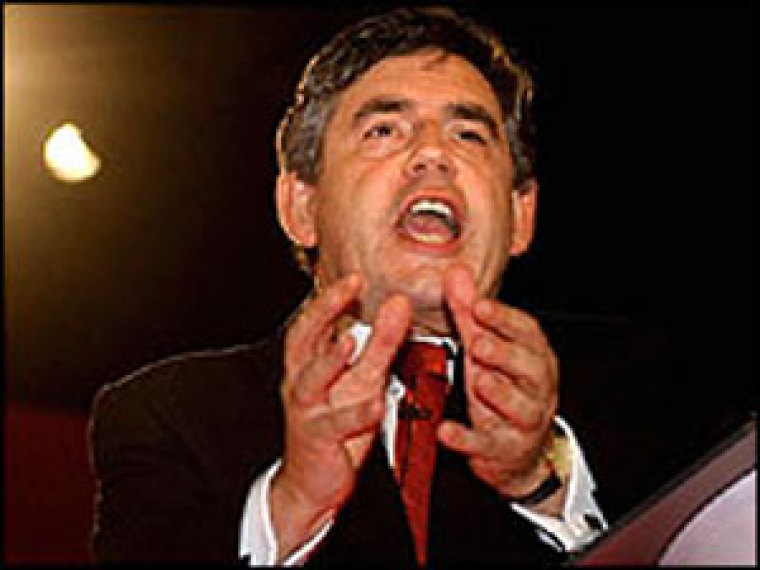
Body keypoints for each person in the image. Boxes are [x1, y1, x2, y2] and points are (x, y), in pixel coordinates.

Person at [89, 7, 610, 565]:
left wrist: (543, 486)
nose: (434, 154)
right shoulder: (166, 417)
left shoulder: (644, 387)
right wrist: (294, 506)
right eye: (384, 130)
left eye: (469, 134)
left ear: (521, 215)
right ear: (301, 206)